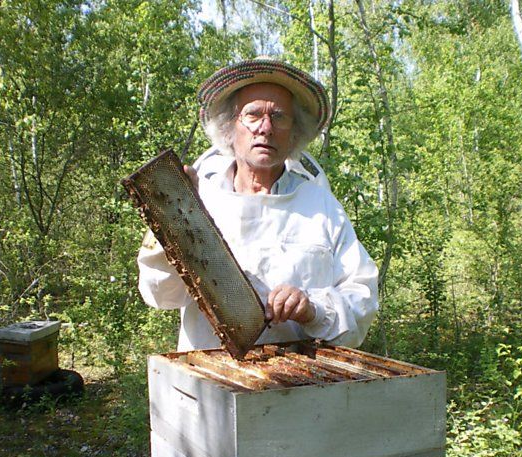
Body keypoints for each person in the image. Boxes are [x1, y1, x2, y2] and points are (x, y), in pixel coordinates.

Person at [138, 58, 378, 351]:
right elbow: (160, 294)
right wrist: (169, 222)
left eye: (279, 116)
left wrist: (313, 309)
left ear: (294, 132)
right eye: (253, 114)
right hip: (210, 383)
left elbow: (362, 296)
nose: (266, 127)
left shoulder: (322, 206)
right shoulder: (199, 202)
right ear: (229, 127)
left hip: (299, 384)